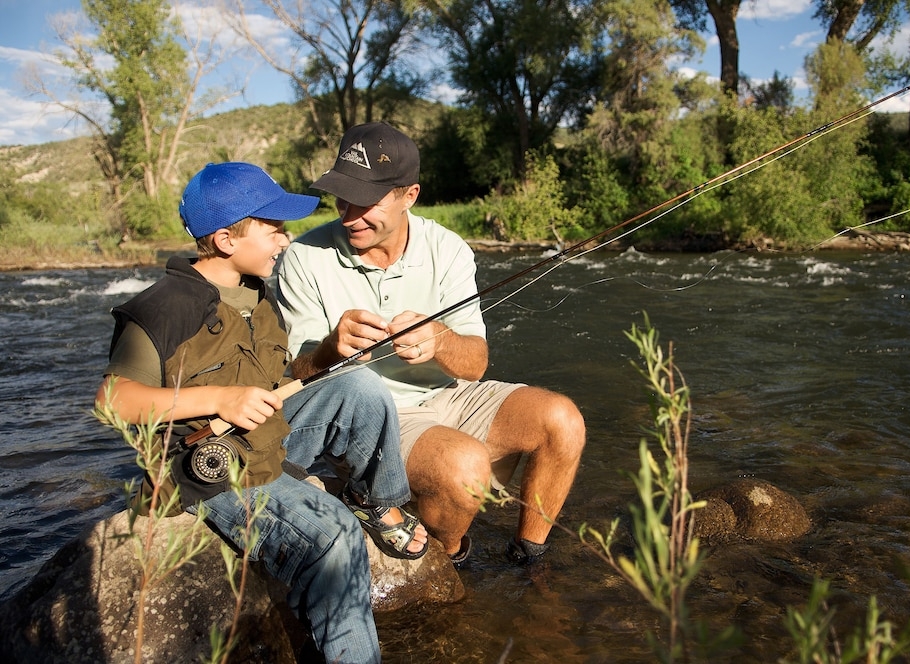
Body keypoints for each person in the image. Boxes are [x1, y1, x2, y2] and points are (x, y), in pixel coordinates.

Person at [95, 161, 428, 664]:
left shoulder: (259, 296)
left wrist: (334, 351)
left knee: (360, 384)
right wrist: (218, 400)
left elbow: (280, 377)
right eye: (272, 228)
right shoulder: (163, 307)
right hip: (211, 474)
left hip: (267, 440)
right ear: (227, 239)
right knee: (333, 534)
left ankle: (378, 501)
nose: (285, 239)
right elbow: (113, 400)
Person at [276, 122, 586, 566]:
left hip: (451, 395)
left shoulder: (449, 249)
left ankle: (529, 559)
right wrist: (330, 348)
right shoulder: (303, 258)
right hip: (373, 417)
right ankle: (451, 562)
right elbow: (297, 374)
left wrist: (440, 339)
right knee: (463, 469)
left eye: (367, 201)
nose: (349, 214)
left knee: (563, 420)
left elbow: (475, 364)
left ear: (410, 195)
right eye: (342, 196)